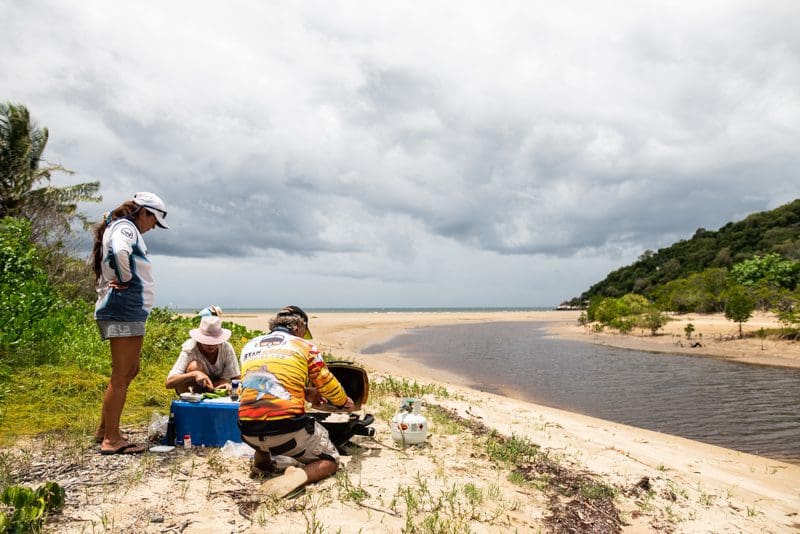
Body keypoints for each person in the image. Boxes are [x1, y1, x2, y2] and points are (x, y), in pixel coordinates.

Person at [238, 305, 355, 498]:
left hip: (247, 431)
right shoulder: (304, 346)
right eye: (304, 332)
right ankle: (299, 475)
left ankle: (262, 461)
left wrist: (305, 392)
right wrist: (343, 402)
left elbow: (265, 384)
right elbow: (325, 381)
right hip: (287, 432)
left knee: (262, 423)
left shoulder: (249, 346)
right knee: (331, 459)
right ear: (299, 326)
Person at [91, 191, 169, 455]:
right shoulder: (125, 228)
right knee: (122, 374)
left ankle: (105, 429)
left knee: (131, 369)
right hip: (124, 307)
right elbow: (118, 251)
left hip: (130, 309)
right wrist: (125, 279)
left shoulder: (121, 227)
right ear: (143, 212)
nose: (153, 227)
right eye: (153, 221)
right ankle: (111, 439)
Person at [165, 315, 240, 393]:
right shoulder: (190, 349)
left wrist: (227, 385)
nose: (211, 345)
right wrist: (194, 374)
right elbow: (169, 383)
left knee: (227, 384)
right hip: (191, 388)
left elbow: (236, 378)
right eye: (207, 341)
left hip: (215, 385)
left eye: (214, 341)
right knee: (194, 366)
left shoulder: (226, 348)